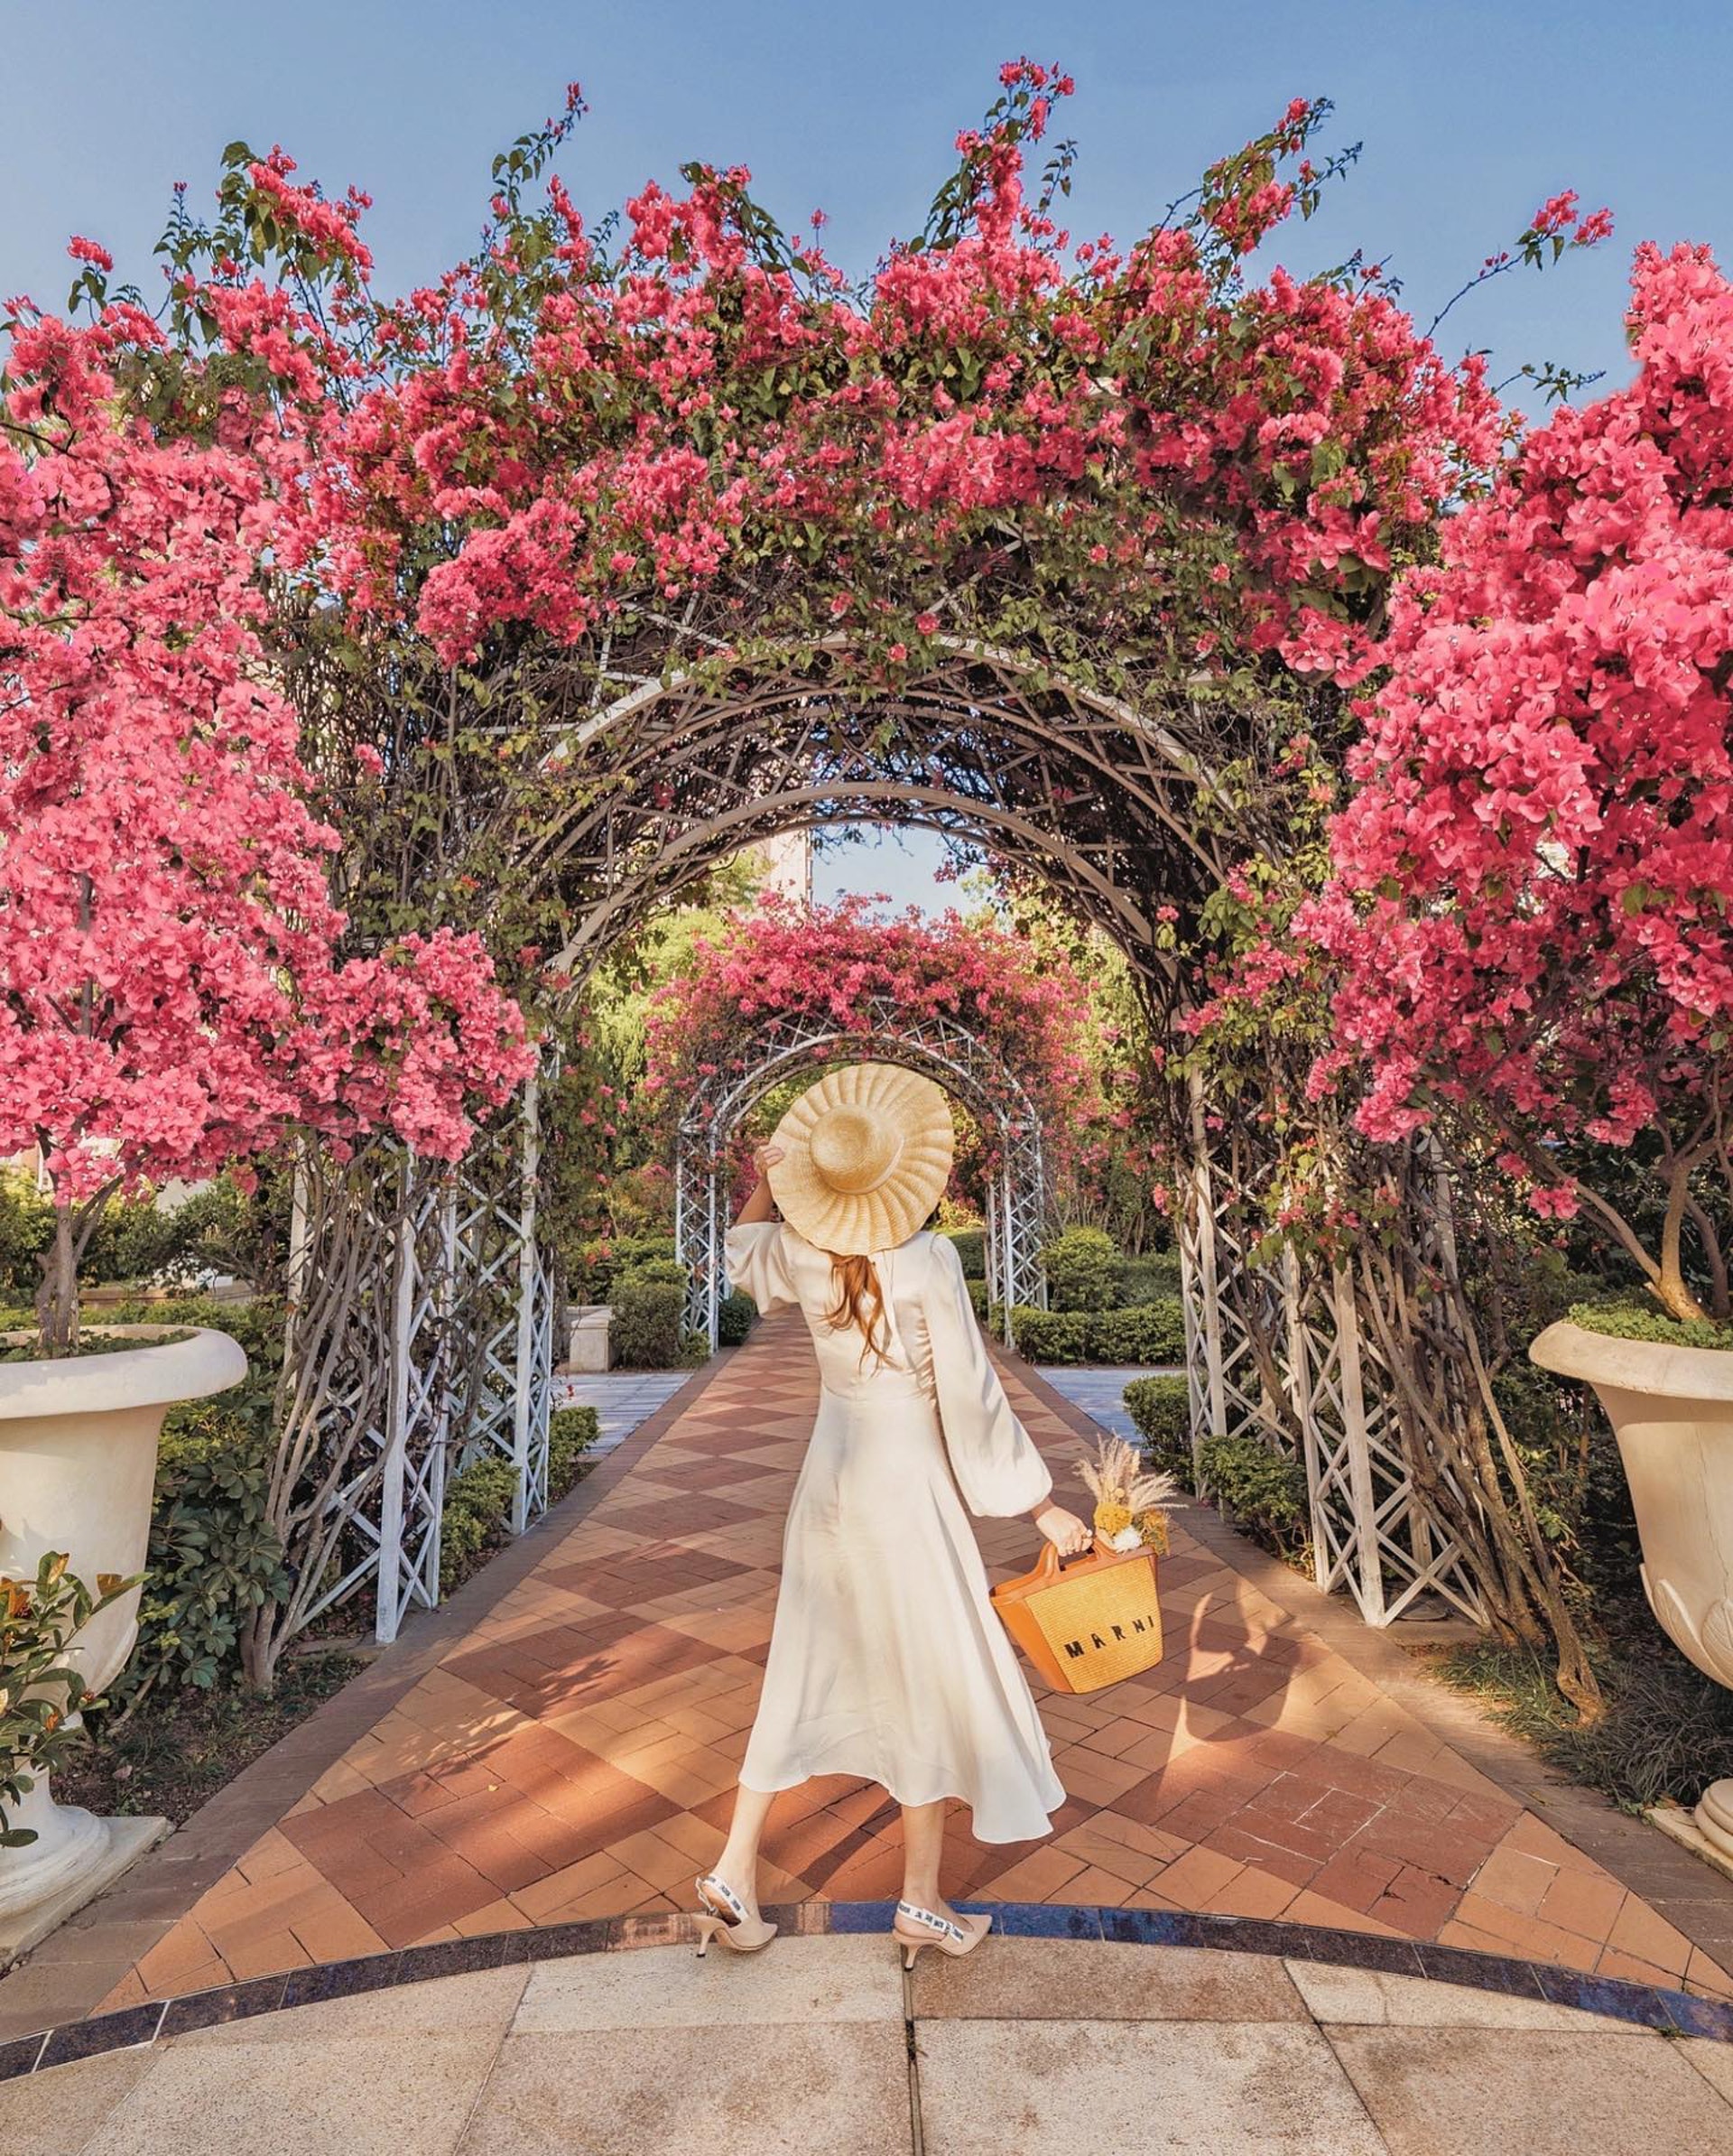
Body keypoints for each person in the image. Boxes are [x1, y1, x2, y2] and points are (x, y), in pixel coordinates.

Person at [691, 1061, 1091, 1969]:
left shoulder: (801, 1249)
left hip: (827, 1486)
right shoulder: (928, 1259)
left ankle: (730, 1870)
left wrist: (768, 1175)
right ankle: (918, 1902)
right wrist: (1038, 1505)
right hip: (906, 1494)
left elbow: (742, 1251)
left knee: (798, 1671)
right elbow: (971, 1396)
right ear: (901, 1172)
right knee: (929, 1680)